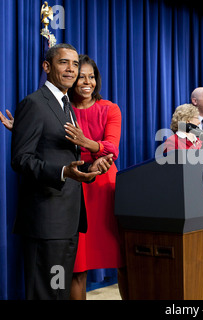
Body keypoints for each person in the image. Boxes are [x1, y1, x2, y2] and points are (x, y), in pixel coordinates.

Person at [10, 44, 114, 299]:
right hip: (45, 220)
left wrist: (91, 166)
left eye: (75, 64)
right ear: (47, 66)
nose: (71, 69)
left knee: (58, 292)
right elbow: (21, 159)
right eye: (63, 63)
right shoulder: (34, 104)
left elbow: (66, 157)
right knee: (46, 293)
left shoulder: (66, 105)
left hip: (68, 220)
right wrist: (63, 172)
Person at [64, 54, 125, 300]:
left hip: (106, 188)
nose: (86, 82)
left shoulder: (110, 108)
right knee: (77, 266)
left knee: (123, 260)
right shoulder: (63, 109)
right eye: (81, 77)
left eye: (91, 77)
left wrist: (86, 143)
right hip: (74, 186)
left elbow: (112, 149)